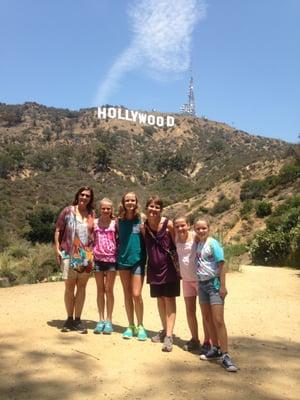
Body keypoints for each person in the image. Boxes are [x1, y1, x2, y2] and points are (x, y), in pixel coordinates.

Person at [194, 218, 238, 372]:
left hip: (214, 285)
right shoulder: (198, 243)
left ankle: (226, 355)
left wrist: (223, 286)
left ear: (209, 228)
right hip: (202, 285)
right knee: (207, 319)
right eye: (198, 229)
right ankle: (215, 348)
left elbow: (222, 264)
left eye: (204, 228)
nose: (201, 231)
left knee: (218, 320)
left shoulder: (213, 243)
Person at [54, 186, 95, 334]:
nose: (84, 197)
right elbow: (58, 229)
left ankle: (78, 319)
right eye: (82, 195)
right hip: (69, 252)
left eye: (87, 196)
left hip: (86, 254)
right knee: (69, 287)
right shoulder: (67, 211)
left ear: (90, 199)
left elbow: (94, 234)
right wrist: (57, 249)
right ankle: (69, 318)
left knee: (82, 287)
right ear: (77, 195)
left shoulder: (92, 214)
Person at [143, 196, 180, 352]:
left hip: (169, 268)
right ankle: (164, 330)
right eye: (151, 206)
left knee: (169, 299)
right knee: (159, 299)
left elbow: (178, 244)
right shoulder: (144, 227)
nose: (154, 209)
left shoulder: (169, 225)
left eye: (157, 207)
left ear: (161, 210)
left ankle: (169, 336)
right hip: (154, 268)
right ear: (147, 208)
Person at [174, 216, 210, 353]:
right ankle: (195, 339)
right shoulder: (176, 238)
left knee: (205, 313)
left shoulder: (195, 236)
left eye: (182, 225)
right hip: (186, 281)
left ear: (188, 225)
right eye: (177, 226)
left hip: (199, 280)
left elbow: (208, 244)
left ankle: (208, 341)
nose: (180, 228)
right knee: (190, 312)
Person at [116, 192, 148, 341]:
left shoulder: (141, 219)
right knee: (127, 294)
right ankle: (130, 325)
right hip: (122, 261)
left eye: (132, 200)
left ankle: (141, 325)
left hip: (138, 260)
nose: (130, 202)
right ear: (123, 202)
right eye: (127, 200)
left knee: (136, 294)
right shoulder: (118, 220)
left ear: (136, 202)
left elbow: (148, 237)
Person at [93, 198, 117, 335]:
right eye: (103, 208)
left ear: (111, 209)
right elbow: (90, 239)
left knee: (109, 290)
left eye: (108, 208)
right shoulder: (95, 223)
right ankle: (100, 320)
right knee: (100, 290)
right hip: (97, 260)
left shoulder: (115, 223)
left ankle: (109, 320)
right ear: (100, 208)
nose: (106, 211)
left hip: (112, 260)